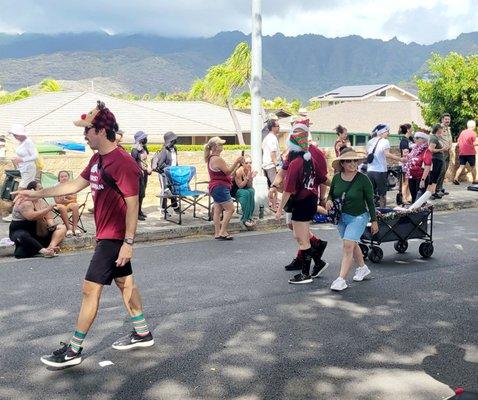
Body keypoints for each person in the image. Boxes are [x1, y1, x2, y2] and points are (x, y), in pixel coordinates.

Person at [14, 100, 154, 368]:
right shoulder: (97, 158)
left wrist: (128, 243)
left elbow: (133, 205)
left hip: (115, 237)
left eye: (87, 131)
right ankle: (142, 331)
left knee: (90, 289)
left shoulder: (122, 162)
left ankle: (74, 350)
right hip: (107, 235)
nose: (84, 135)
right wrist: (36, 192)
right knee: (125, 284)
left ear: (101, 130)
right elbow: (75, 185)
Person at [275, 123, 328, 284]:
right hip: (310, 200)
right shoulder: (310, 159)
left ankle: (305, 274)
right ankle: (318, 262)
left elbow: (288, 190)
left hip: (302, 202)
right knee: (300, 236)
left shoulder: (295, 164)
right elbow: (322, 178)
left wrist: (278, 210)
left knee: (301, 238)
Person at [326, 148, 378, 291]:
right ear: (342, 163)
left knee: (348, 245)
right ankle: (362, 268)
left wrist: (374, 221)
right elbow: (331, 195)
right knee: (352, 243)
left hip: (359, 217)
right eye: (348, 161)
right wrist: (328, 201)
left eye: (354, 160)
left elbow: (370, 201)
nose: (352, 163)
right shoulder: (336, 178)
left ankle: (341, 279)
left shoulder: (363, 179)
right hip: (342, 217)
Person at [9, 181, 66, 258]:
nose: (42, 191)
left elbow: (49, 217)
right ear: (33, 191)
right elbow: (31, 217)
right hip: (21, 229)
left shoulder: (41, 201)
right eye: (40, 189)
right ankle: (44, 251)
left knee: (61, 227)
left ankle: (51, 247)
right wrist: (48, 209)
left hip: (38, 230)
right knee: (22, 237)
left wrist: (51, 224)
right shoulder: (24, 202)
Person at [205, 137, 243, 240]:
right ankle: (222, 231)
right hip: (220, 187)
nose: (222, 146)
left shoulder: (210, 158)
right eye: (221, 144)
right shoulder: (217, 159)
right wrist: (237, 161)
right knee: (230, 209)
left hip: (215, 187)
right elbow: (227, 171)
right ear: (216, 147)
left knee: (217, 209)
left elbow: (224, 173)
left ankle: (217, 232)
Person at [3, 124, 38, 222]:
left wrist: (22, 159)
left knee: (20, 191)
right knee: (24, 192)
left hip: (29, 169)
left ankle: (15, 213)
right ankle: (21, 212)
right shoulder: (21, 142)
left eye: (15, 134)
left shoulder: (28, 142)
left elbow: (35, 156)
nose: (14, 137)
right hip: (24, 169)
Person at [366, 124, 404, 207]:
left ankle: (370, 212)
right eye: (387, 131)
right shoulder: (385, 141)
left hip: (370, 170)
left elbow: (367, 155)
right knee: (382, 194)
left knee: (370, 193)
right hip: (380, 171)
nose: (388, 134)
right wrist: (400, 159)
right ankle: (383, 212)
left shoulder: (370, 141)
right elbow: (387, 154)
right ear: (382, 132)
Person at [151, 131, 180, 216]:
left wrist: (176, 169)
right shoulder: (164, 150)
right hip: (164, 174)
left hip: (172, 173)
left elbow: (175, 161)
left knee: (173, 189)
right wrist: (169, 168)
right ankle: (163, 209)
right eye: (174, 140)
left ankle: (175, 207)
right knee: (165, 191)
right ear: (170, 140)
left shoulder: (174, 149)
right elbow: (160, 164)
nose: (175, 141)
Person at [402, 132, 431, 203]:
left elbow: (427, 166)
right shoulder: (414, 149)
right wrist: (405, 156)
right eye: (415, 138)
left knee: (419, 200)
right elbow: (408, 161)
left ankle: (421, 213)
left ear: (424, 140)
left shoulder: (427, 151)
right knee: (414, 197)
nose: (415, 139)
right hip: (412, 177)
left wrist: (423, 180)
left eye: (418, 138)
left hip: (421, 177)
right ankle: (416, 213)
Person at [131, 131, 151, 220]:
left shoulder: (143, 147)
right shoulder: (135, 149)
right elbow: (133, 162)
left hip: (144, 172)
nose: (145, 139)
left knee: (142, 193)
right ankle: (136, 213)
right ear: (140, 139)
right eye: (143, 138)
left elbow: (145, 159)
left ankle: (139, 210)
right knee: (139, 193)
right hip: (139, 174)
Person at [232, 155, 257, 229]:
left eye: (250, 162)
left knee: (251, 191)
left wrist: (251, 178)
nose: (249, 164)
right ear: (242, 163)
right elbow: (240, 186)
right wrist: (247, 177)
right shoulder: (239, 171)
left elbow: (249, 185)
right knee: (246, 193)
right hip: (236, 190)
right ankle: (244, 219)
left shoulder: (249, 169)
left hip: (245, 188)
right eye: (246, 163)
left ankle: (249, 217)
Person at [54, 170, 81, 237]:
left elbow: (74, 198)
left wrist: (66, 196)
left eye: (65, 176)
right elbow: (57, 201)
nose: (64, 178)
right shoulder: (56, 187)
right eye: (62, 177)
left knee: (75, 205)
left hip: (70, 205)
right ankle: (69, 229)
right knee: (62, 207)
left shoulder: (72, 186)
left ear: (68, 177)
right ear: (59, 179)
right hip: (61, 205)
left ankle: (75, 228)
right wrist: (69, 198)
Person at [262, 119, 281, 211]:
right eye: (277, 126)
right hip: (271, 165)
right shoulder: (272, 138)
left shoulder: (267, 137)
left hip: (266, 164)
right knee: (274, 186)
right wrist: (277, 165)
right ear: (273, 127)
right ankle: (274, 206)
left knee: (273, 185)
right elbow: (272, 153)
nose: (279, 128)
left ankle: (273, 204)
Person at [427, 123, 449, 198]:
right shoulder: (434, 138)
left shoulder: (437, 137)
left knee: (436, 176)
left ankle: (433, 192)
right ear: (438, 129)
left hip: (439, 159)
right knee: (433, 176)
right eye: (441, 129)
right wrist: (442, 149)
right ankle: (430, 193)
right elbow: (431, 149)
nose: (443, 130)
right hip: (435, 159)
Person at [453, 120, 478, 185]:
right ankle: (475, 180)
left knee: (461, 166)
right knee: (473, 167)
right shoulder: (473, 133)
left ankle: (455, 178)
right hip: (470, 153)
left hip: (462, 153)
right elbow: (474, 143)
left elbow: (458, 141)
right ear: (474, 126)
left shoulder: (462, 132)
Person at [436, 113, 453, 197]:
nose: (447, 121)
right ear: (442, 119)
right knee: (441, 171)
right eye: (446, 119)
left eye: (448, 119)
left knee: (444, 171)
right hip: (441, 152)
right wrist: (441, 147)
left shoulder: (448, 128)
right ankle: (437, 189)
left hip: (448, 152)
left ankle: (441, 188)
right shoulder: (439, 128)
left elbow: (449, 139)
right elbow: (435, 138)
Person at [399, 123, 414, 203]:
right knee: (405, 182)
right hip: (405, 164)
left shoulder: (410, 139)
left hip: (410, 163)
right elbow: (404, 154)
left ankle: (408, 197)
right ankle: (403, 198)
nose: (413, 130)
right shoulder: (404, 141)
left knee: (409, 182)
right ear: (408, 130)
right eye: (412, 128)